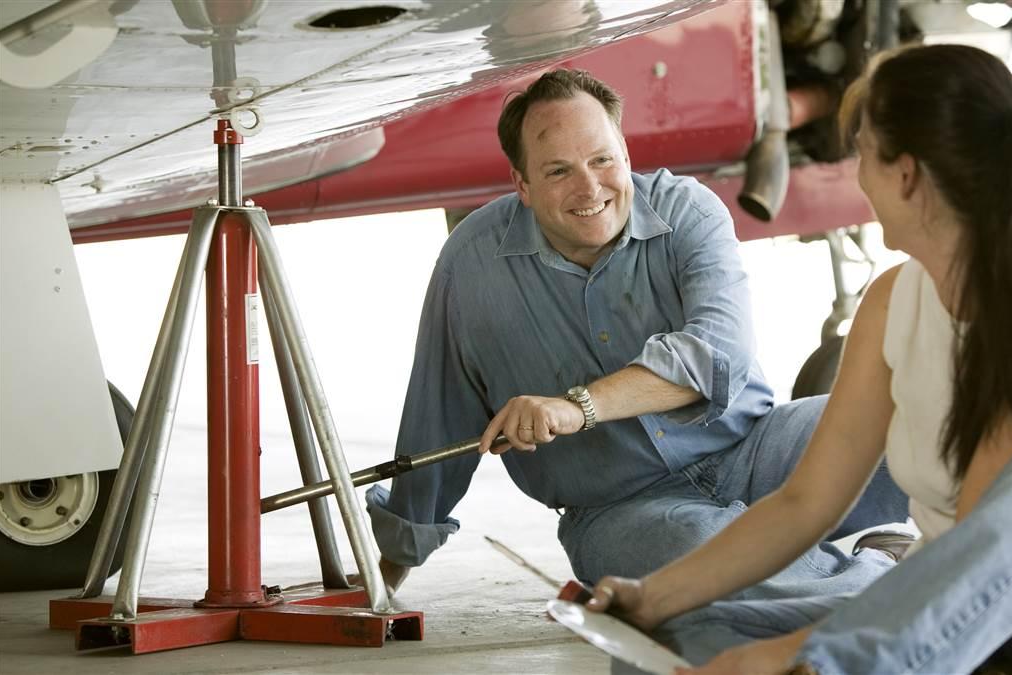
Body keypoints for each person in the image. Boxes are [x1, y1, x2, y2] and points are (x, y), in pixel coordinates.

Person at [587, 44, 1012, 674]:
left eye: (864, 152)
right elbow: (804, 503)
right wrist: (651, 600)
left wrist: (787, 656)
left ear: (907, 174)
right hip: (931, 629)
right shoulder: (894, 301)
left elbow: (978, 573)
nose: (857, 174)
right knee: (672, 640)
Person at [363, 68, 909, 601]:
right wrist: (389, 571)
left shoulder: (688, 210)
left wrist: (577, 407)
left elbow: (718, 355)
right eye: (558, 172)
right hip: (620, 510)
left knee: (915, 423)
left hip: (754, 450)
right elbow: (438, 414)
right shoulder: (472, 265)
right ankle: (885, 577)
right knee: (700, 551)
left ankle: (843, 587)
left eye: (603, 159)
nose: (589, 186)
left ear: (626, 154)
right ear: (522, 185)